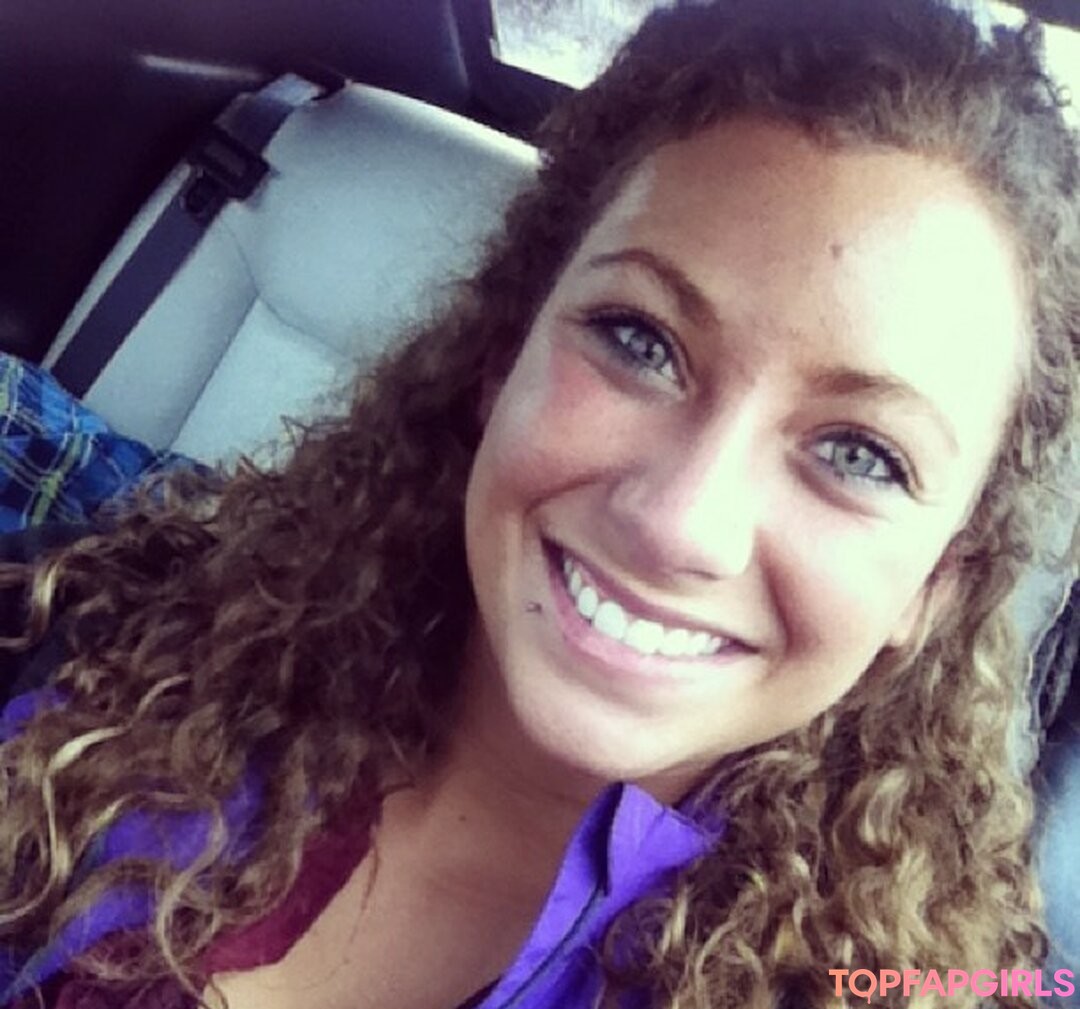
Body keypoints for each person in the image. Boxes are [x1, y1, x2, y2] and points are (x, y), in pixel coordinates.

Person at [1, 0, 1077, 1007]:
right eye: (639, 340)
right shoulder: (99, 635)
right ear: (504, 351)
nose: (680, 522)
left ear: (937, 586)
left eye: (860, 454)